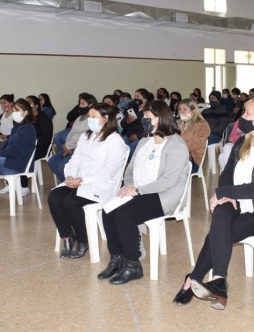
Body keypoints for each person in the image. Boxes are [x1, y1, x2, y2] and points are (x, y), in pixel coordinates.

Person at [172, 96, 254, 309]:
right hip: (238, 200)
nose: (241, 118)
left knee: (218, 232)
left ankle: (193, 279)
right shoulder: (242, 142)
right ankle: (219, 280)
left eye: (247, 114)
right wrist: (226, 194)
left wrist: (224, 193)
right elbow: (227, 175)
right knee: (220, 213)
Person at [98, 100, 189, 285]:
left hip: (164, 195)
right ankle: (117, 258)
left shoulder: (176, 145)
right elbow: (130, 170)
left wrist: (138, 190)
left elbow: (168, 181)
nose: (143, 120)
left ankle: (133, 265)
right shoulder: (144, 141)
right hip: (139, 191)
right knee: (108, 210)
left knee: (125, 214)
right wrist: (129, 186)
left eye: (147, 116)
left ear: (161, 118)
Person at [49, 103, 128, 259]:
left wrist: (83, 180)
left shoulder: (114, 140)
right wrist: (70, 176)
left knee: (70, 202)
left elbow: (109, 170)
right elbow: (75, 160)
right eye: (89, 117)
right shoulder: (86, 136)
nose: (89, 120)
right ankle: (67, 236)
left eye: (93, 117)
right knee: (54, 197)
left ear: (105, 119)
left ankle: (83, 241)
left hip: (100, 185)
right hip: (79, 181)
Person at [48, 94, 96, 182]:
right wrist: (67, 144)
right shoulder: (79, 118)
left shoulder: (93, 120)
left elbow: (83, 137)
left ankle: (69, 184)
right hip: (71, 148)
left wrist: (69, 147)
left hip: (78, 149)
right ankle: (65, 183)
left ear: (90, 105)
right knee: (52, 161)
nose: (80, 106)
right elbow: (71, 133)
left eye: (83, 104)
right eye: (79, 104)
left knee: (61, 166)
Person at [21, 95, 54, 193]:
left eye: (30, 103)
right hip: (29, 146)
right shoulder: (27, 118)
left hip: (41, 148)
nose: (27, 106)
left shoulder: (43, 118)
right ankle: (11, 183)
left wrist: (31, 144)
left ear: (36, 106)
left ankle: (24, 186)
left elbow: (46, 138)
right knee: (14, 153)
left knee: (23, 155)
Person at [178, 99, 210, 173]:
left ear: (193, 111)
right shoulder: (178, 122)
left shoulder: (201, 125)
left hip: (193, 160)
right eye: (180, 109)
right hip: (178, 156)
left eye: (185, 109)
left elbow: (196, 144)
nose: (181, 111)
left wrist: (176, 147)